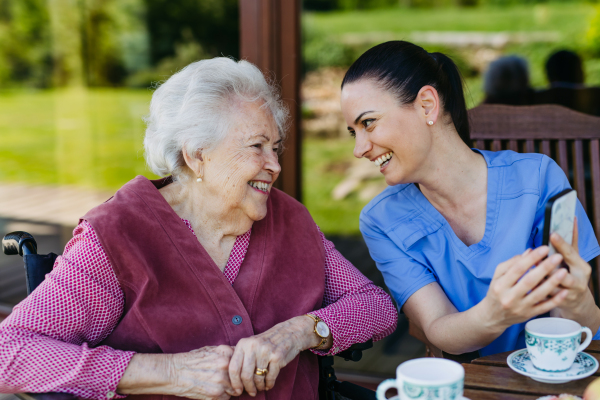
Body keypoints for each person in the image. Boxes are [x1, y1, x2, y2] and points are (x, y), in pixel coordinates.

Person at [0, 58, 397, 400]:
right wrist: (172, 373)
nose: (274, 164)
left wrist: (300, 332)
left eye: (275, 147)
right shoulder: (119, 237)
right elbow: (10, 352)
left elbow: (376, 307)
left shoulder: (289, 218)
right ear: (197, 155)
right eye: (257, 146)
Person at [339, 40, 600, 357]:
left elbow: (577, 328)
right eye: (355, 132)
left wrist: (577, 301)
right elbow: (437, 327)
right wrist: (494, 313)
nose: (359, 149)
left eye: (369, 122)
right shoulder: (382, 220)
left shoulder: (538, 179)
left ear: (426, 105)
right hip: (475, 384)